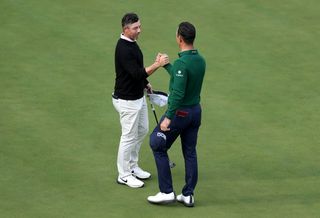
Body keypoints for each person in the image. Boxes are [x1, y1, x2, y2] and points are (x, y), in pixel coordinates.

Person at [147, 22, 206, 207]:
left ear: (179, 38)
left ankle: (166, 192)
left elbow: (179, 93)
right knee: (190, 152)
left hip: (180, 113)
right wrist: (167, 66)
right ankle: (188, 195)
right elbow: (183, 78)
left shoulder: (182, 63)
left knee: (157, 143)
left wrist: (168, 118)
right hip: (196, 112)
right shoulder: (200, 60)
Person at [112, 13, 169, 188]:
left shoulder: (132, 43)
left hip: (138, 97)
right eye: (135, 28)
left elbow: (137, 72)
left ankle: (132, 166)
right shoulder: (123, 49)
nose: (139, 30)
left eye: (139, 26)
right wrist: (157, 65)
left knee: (142, 130)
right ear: (125, 29)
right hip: (127, 101)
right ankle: (124, 174)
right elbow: (137, 72)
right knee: (128, 137)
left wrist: (146, 83)